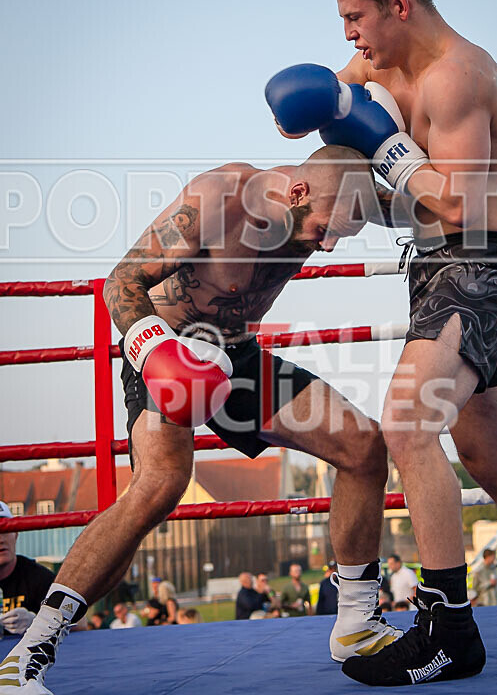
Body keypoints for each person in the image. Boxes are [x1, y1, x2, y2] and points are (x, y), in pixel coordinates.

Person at [266, 0, 497, 686]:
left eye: (355, 17)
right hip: (432, 270)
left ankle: (449, 626)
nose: (348, 35)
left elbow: (453, 197)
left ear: (399, 4)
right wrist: (308, 111)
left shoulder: (460, 75)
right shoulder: (379, 64)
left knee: (407, 422)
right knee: (485, 453)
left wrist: (380, 143)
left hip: (480, 265)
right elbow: (321, 104)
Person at [0, 149, 405, 693]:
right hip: (167, 348)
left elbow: (415, 202)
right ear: (298, 193)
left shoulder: (339, 197)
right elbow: (120, 282)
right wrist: (157, 352)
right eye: (325, 229)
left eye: (342, 235)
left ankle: (356, 622)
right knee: (159, 485)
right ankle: (28, 653)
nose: (328, 245)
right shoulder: (219, 199)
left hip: (238, 357)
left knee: (364, 446)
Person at [0, 502, 55, 635]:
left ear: (16, 534)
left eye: (5, 530)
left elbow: (80, 623)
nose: (0, 539)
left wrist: (38, 623)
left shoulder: (38, 577)